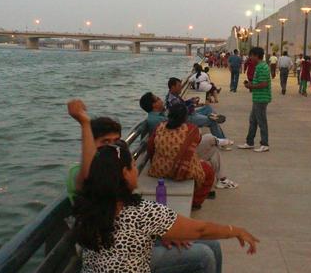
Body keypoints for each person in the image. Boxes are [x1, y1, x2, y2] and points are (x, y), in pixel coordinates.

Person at [68, 99, 228, 273]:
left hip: (134, 239)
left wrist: (163, 232)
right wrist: (84, 123)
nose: (113, 147)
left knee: (212, 243)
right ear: (90, 145)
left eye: (116, 142)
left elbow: (139, 217)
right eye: (105, 142)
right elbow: (86, 177)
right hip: (116, 256)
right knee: (203, 256)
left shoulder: (118, 172)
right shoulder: (90, 175)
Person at [74, 141, 259, 273]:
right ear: (124, 174)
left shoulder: (89, 205)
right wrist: (235, 230)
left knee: (211, 245)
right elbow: (200, 230)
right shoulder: (141, 212)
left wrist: (167, 232)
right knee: (204, 255)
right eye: (133, 166)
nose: (136, 170)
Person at [147, 104, 214, 209]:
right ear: (185, 117)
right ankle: (195, 202)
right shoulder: (192, 129)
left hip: (158, 169)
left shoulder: (159, 127)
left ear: (169, 115)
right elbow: (196, 143)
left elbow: (150, 147)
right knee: (209, 172)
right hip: (183, 171)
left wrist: (154, 163)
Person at [139, 92, 233, 147]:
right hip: (176, 144)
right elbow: (177, 126)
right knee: (209, 136)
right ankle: (220, 140)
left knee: (208, 110)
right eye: (158, 99)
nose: (161, 99)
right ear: (154, 105)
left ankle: (219, 138)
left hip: (180, 133)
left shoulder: (158, 115)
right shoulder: (157, 119)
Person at [238, 47, 271, 152]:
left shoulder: (262, 67)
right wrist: (251, 85)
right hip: (257, 97)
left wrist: (251, 86)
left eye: (251, 55)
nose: (250, 58)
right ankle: (249, 142)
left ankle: (264, 144)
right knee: (253, 120)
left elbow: (264, 84)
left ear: (256, 55)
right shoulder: (260, 66)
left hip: (261, 98)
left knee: (261, 121)